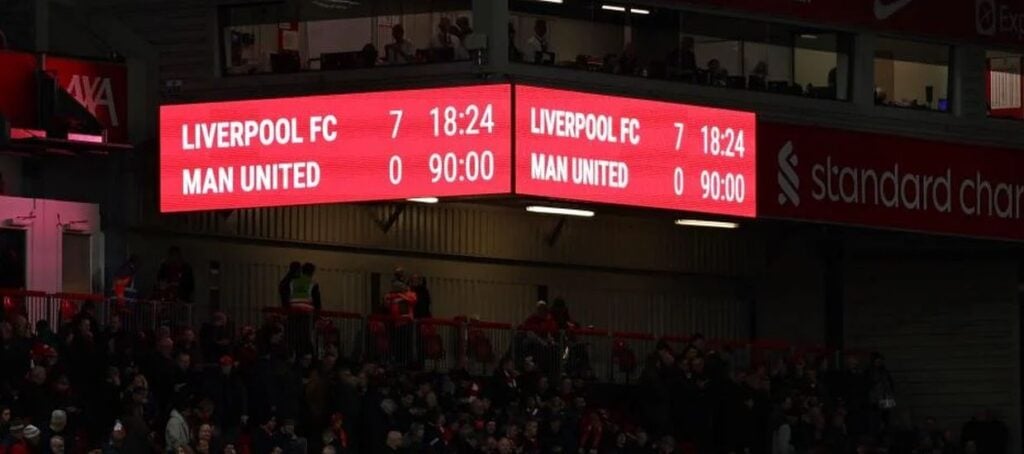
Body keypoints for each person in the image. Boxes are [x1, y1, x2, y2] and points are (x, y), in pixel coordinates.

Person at [287, 262, 321, 355]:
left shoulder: (293, 282)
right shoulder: (313, 283)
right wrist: (317, 315)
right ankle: (304, 354)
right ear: (312, 272)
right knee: (305, 336)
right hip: (306, 313)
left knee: (294, 335)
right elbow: (317, 301)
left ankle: (293, 354)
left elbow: (288, 296)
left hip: (293, 312)